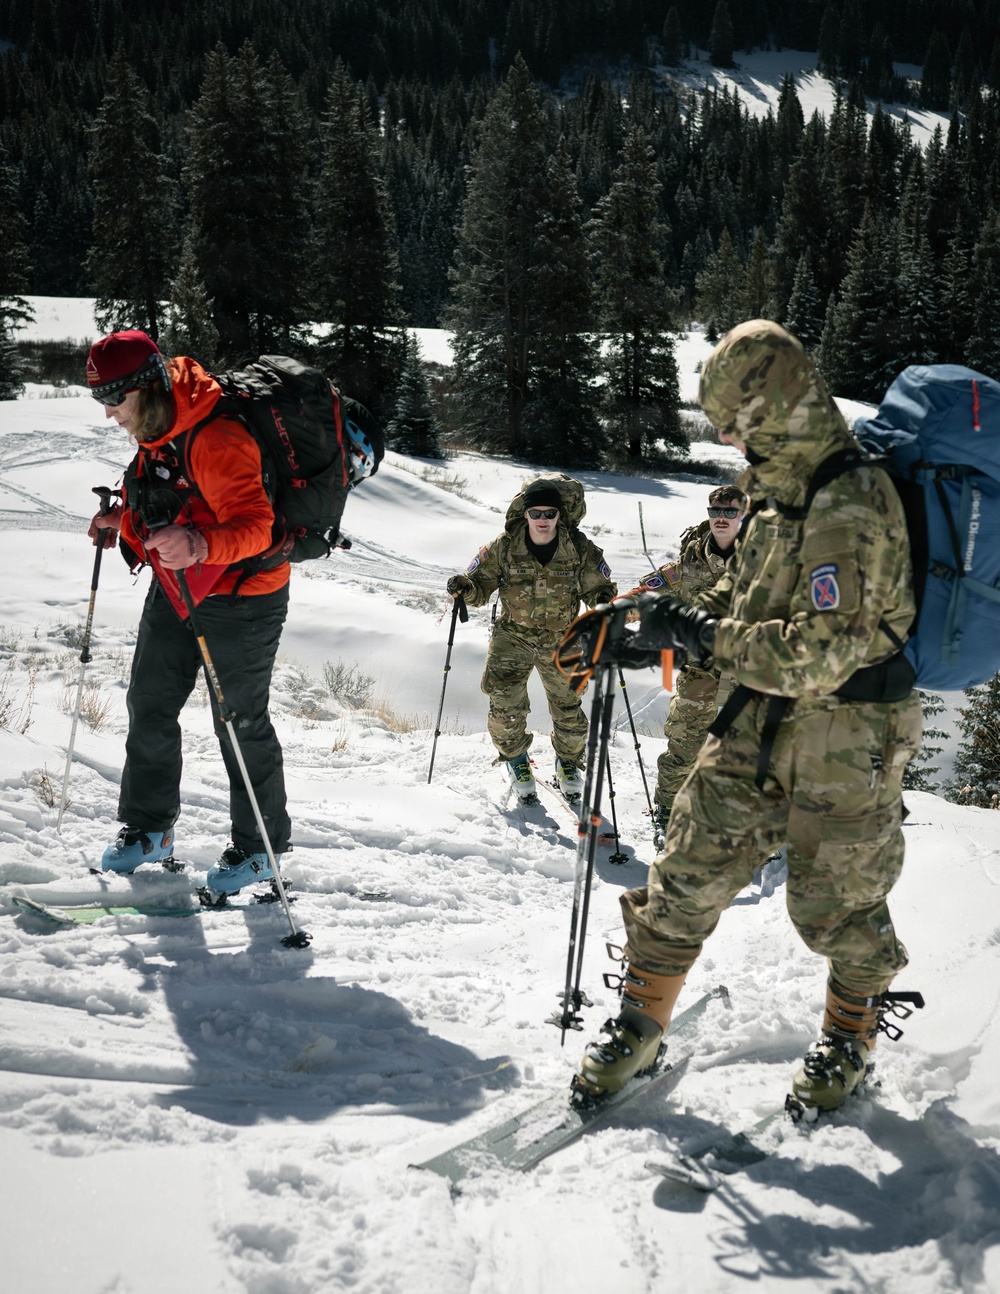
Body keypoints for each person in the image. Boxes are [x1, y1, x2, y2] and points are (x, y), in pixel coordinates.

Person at [574, 320, 922, 1114]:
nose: (730, 438)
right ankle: (642, 1022)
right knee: (686, 873)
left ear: (779, 408)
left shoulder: (853, 500)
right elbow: (742, 604)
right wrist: (649, 628)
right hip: (755, 728)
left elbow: (821, 656)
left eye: (738, 421)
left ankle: (851, 1030)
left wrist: (699, 635)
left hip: (847, 743)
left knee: (836, 908)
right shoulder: (776, 501)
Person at [85, 329, 292, 896]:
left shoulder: (216, 434)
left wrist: (199, 546)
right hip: (178, 586)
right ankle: (150, 830)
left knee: (239, 722)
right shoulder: (160, 424)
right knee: (149, 701)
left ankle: (260, 850)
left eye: (114, 401)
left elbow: (257, 525)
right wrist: (121, 521)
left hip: (242, 596)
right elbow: (169, 493)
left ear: (146, 388)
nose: (109, 415)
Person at [447, 475, 617, 804]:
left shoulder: (580, 549)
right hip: (514, 636)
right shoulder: (504, 546)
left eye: (550, 514)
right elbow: (479, 586)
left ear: (559, 516)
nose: (543, 520)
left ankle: (568, 763)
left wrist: (605, 601)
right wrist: (464, 589)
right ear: (524, 514)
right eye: (535, 513)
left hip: (563, 636)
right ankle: (515, 760)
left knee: (568, 708)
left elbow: (598, 589)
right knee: (505, 704)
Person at [636, 484, 748, 848]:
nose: (720, 518)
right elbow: (650, 593)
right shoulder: (691, 561)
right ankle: (668, 811)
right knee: (684, 743)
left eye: (729, 512)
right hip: (700, 670)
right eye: (715, 510)